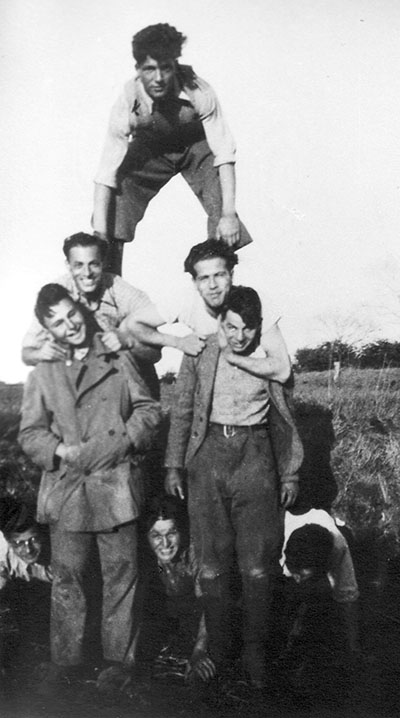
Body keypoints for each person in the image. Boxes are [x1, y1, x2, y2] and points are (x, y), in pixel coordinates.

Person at [18, 283, 162, 696]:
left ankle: (121, 662)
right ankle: (66, 660)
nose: (70, 326)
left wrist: (121, 443)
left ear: (81, 309)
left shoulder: (117, 356)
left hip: (116, 484)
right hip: (67, 487)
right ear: (48, 329)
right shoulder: (43, 372)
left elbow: (149, 409)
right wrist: (60, 449)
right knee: (69, 578)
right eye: (58, 322)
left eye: (72, 314)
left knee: (122, 575)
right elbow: (30, 433)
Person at [164, 286, 303, 689]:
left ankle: (254, 652)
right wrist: (175, 464)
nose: (238, 336)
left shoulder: (268, 358)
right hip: (208, 456)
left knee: (258, 566)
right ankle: (218, 650)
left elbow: (285, 417)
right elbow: (183, 408)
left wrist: (290, 472)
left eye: (247, 328)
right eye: (231, 326)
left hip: (256, 455)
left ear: (258, 328)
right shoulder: (203, 350)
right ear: (219, 322)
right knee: (210, 565)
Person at [93, 23, 253, 275]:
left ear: (175, 66)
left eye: (165, 68)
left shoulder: (199, 91)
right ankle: (110, 291)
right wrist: (100, 234)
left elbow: (224, 152)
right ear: (138, 70)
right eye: (149, 69)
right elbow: (106, 170)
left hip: (196, 149)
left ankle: (220, 289)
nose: (158, 78)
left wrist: (229, 213)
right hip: (152, 150)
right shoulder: (127, 100)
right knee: (115, 204)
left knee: (222, 210)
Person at [21, 232, 205, 380]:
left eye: (93, 264)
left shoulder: (119, 289)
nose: (87, 273)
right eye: (78, 265)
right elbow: (26, 353)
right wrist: (39, 353)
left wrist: (128, 341)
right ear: (68, 266)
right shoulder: (55, 295)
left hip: (120, 376)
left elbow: (154, 355)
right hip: (77, 376)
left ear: (103, 263)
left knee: (130, 328)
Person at [127, 239, 291, 381]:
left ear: (231, 275)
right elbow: (134, 324)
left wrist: (231, 358)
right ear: (194, 282)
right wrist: (177, 342)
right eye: (204, 278)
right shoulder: (186, 300)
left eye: (219, 275)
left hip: (256, 383)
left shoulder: (254, 300)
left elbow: (283, 371)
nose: (213, 286)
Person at [138, 495, 215, 683]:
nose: (165, 544)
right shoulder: (142, 557)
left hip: (197, 621)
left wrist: (199, 651)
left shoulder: (196, 553)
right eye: (156, 536)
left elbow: (208, 605)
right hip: (164, 620)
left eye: (171, 533)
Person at [281, 509, 360, 656]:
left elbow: (348, 595)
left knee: (320, 597)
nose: (298, 579)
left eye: (302, 575)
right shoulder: (275, 540)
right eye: (296, 573)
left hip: (319, 570)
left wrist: (353, 649)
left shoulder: (338, 546)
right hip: (281, 550)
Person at [0, 496, 52, 686]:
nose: (27, 550)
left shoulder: (60, 550)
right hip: (22, 589)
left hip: (52, 592)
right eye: (18, 543)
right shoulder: (2, 548)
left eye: (33, 540)